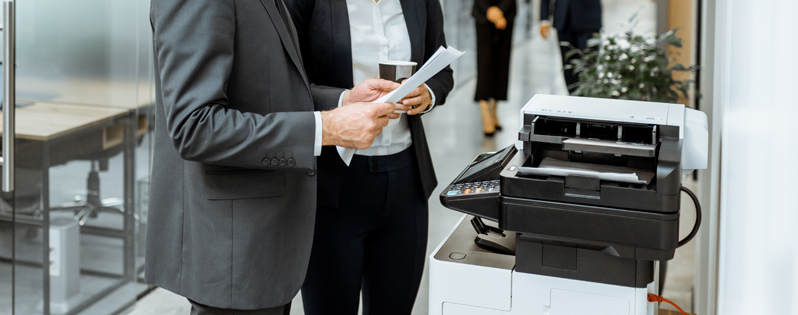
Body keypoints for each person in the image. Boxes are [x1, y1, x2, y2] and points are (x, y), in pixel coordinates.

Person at [146, 0, 403, 314]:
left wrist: (343, 100)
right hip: (233, 252)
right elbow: (196, 128)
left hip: (263, 247)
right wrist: (326, 128)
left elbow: (270, 90)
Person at [284, 0, 454, 313]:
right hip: (332, 185)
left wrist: (427, 93)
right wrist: (343, 100)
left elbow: (442, 71)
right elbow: (285, 83)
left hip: (406, 180)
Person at [473, 0, 517, 136]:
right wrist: (490, 10)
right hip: (483, 11)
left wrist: (501, 10)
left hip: (506, 13)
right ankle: (484, 109)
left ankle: (494, 109)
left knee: (503, 63)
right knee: (484, 62)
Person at [540, 0, 602, 94]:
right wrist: (544, 17)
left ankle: (588, 101)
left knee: (588, 64)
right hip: (564, 18)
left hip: (589, 18)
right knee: (568, 67)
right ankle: (572, 100)